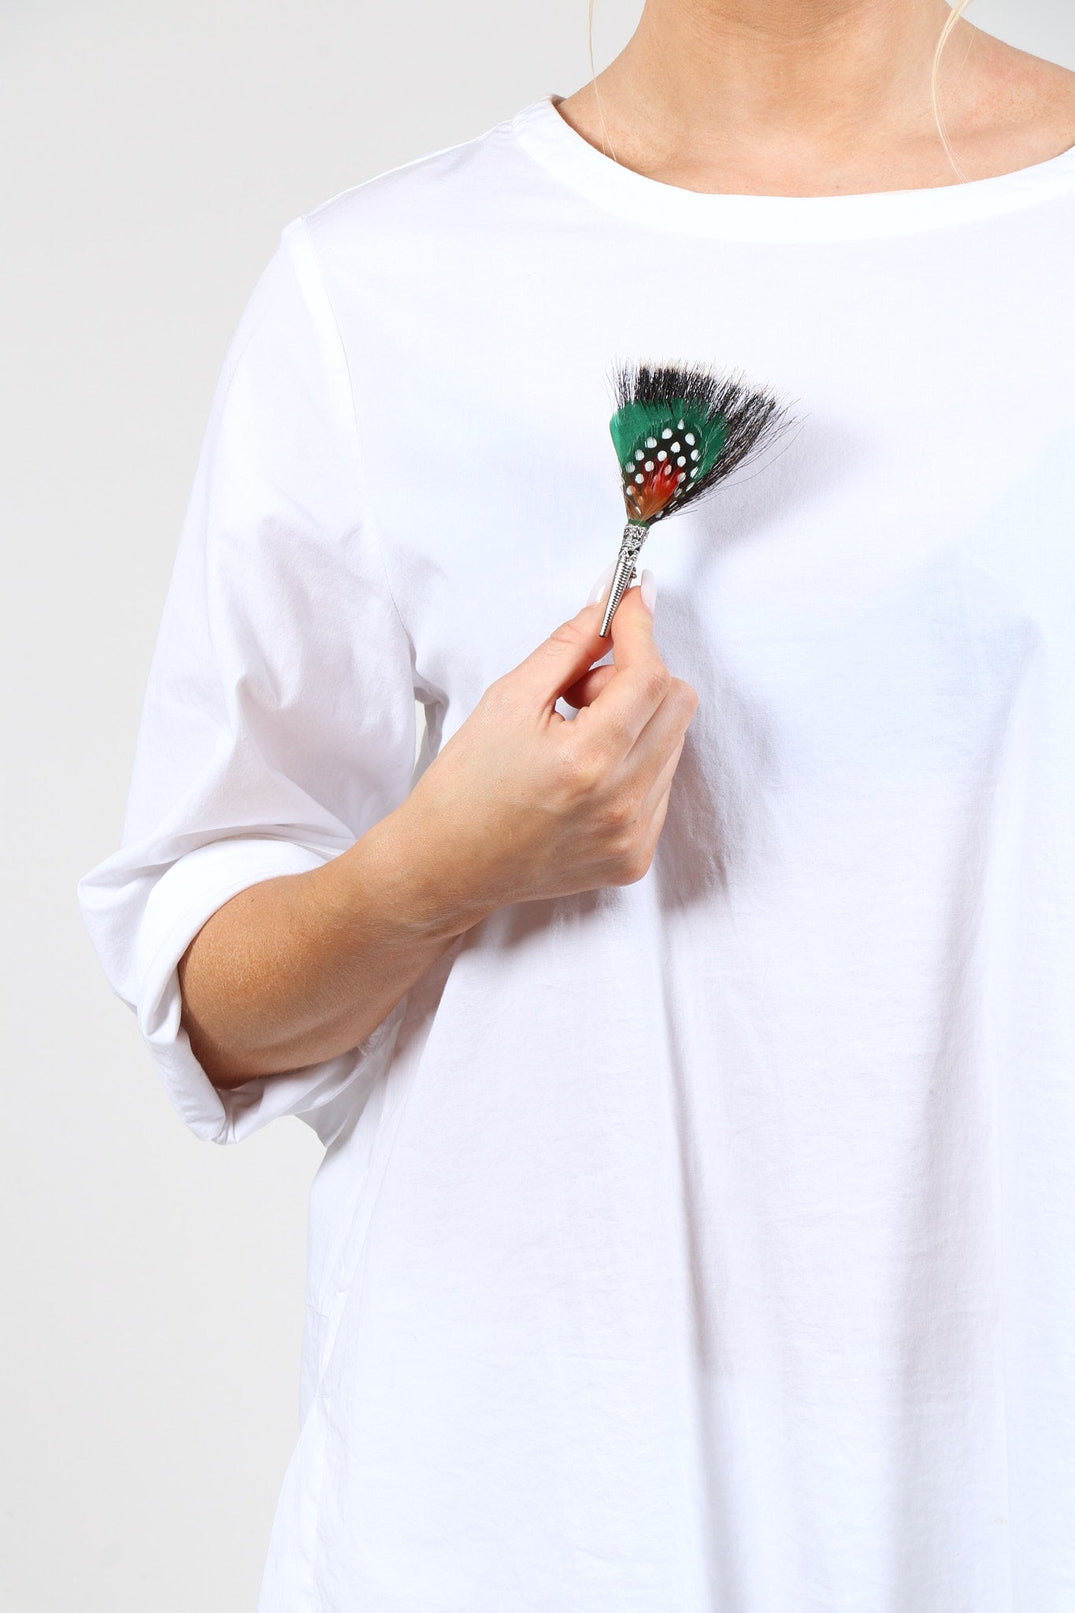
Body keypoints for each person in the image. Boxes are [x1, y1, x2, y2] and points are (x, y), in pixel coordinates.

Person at [77, 0, 1075, 1606]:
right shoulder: (380, 289)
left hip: (1003, 1499)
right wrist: (432, 869)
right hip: (523, 1508)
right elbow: (212, 1005)